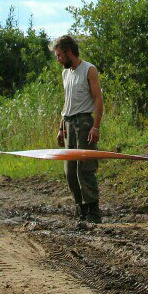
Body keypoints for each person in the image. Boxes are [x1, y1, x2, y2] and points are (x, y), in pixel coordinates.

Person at [52, 34, 104, 223]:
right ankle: (80, 209)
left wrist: (95, 127)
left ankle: (93, 211)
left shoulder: (89, 70)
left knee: (85, 168)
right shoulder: (66, 73)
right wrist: (61, 127)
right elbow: (67, 102)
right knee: (70, 170)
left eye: (59, 55)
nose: (58, 60)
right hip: (68, 123)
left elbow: (98, 98)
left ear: (68, 52)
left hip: (84, 124)